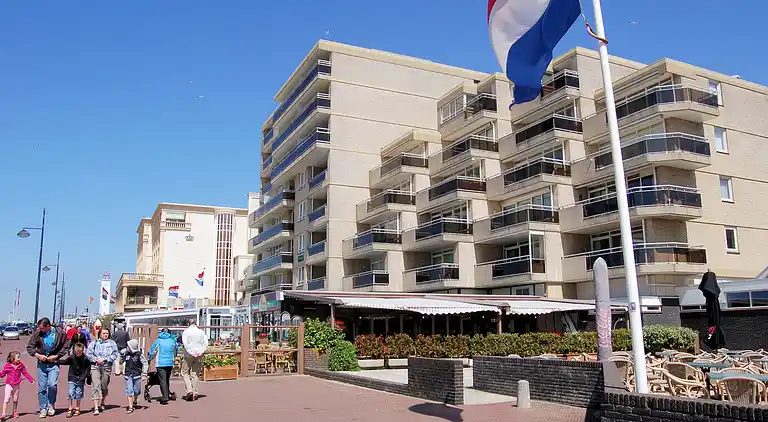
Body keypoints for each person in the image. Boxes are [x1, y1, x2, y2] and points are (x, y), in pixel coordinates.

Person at [26, 317, 69, 419]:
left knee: (52, 384)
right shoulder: (37, 333)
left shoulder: (60, 333)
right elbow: (30, 347)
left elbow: (66, 345)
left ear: (48, 326)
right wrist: (38, 355)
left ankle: (51, 404)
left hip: (53, 363)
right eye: (39, 328)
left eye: (42, 328)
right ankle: (43, 408)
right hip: (42, 363)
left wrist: (57, 356)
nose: (40, 330)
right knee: (42, 386)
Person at [85, 328, 117, 415]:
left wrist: (106, 359)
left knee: (104, 386)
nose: (105, 335)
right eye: (103, 333)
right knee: (96, 385)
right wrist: (96, 359)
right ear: (100, 334)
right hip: (95, 367)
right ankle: (96, 407)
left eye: (107, 333)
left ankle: (102, 401)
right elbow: (88, 353)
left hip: (106, 367)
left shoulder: (112, 343)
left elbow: (115, 354)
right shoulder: (94, 343)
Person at [58, 343, 90, 418]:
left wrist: (86, 377)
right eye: (76, 352)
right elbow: (65, 362)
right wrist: (56, 361)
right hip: (72, 376)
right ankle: (70, 408)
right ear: (74, 351)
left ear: (83, 351)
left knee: (78, 392)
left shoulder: (86, 359)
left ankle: (78, 407)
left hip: (81, 378)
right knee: (70, 392)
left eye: (80, 352)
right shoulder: (71, 358)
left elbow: (87, 369)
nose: (78, 354)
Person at [0, 351, 34, 420]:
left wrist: (31, 379)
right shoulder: (7, 366)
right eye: (18, 357)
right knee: (6, 399)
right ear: (12, 359)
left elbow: (25, 373)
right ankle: (3, 414)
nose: (19, 359)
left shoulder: (20, 365)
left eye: (19, 357)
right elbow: (2, 375)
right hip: (9, 385)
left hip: (16, 385)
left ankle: (14, 412)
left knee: (15, 399)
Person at [148, 329, 178, 405]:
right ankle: (166, 394)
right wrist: (173, 358)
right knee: (167, 379)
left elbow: (153, 351)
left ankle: (165, 397)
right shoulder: (172, 341)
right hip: (169, 362)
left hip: (160, 363)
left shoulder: (158, 341)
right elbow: (175, 351)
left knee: (162, 380)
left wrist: (149, 358)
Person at [180, 319, 208, 402]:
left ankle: (189, 390)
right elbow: (205, 343)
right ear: (196, 323)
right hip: (199, 355)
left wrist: (191, 352)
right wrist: (199, 352)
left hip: (188, 355)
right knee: (195, 374)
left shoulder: (186, 332)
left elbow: (185, 344)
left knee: (184, 372)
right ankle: (195, 392)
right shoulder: (201, 332)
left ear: (189, 323)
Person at [120, 340, 147, 414]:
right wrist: (121, 356)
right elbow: (121, 362)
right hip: (128, 374)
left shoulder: (139, 354)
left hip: (137, 374)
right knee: (129, 390)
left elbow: (145, 363)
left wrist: (144, 373)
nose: (127, 348)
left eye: (128, 346)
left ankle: (135, 400)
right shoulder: (126, 354)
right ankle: (130, 406)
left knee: (136, 390)